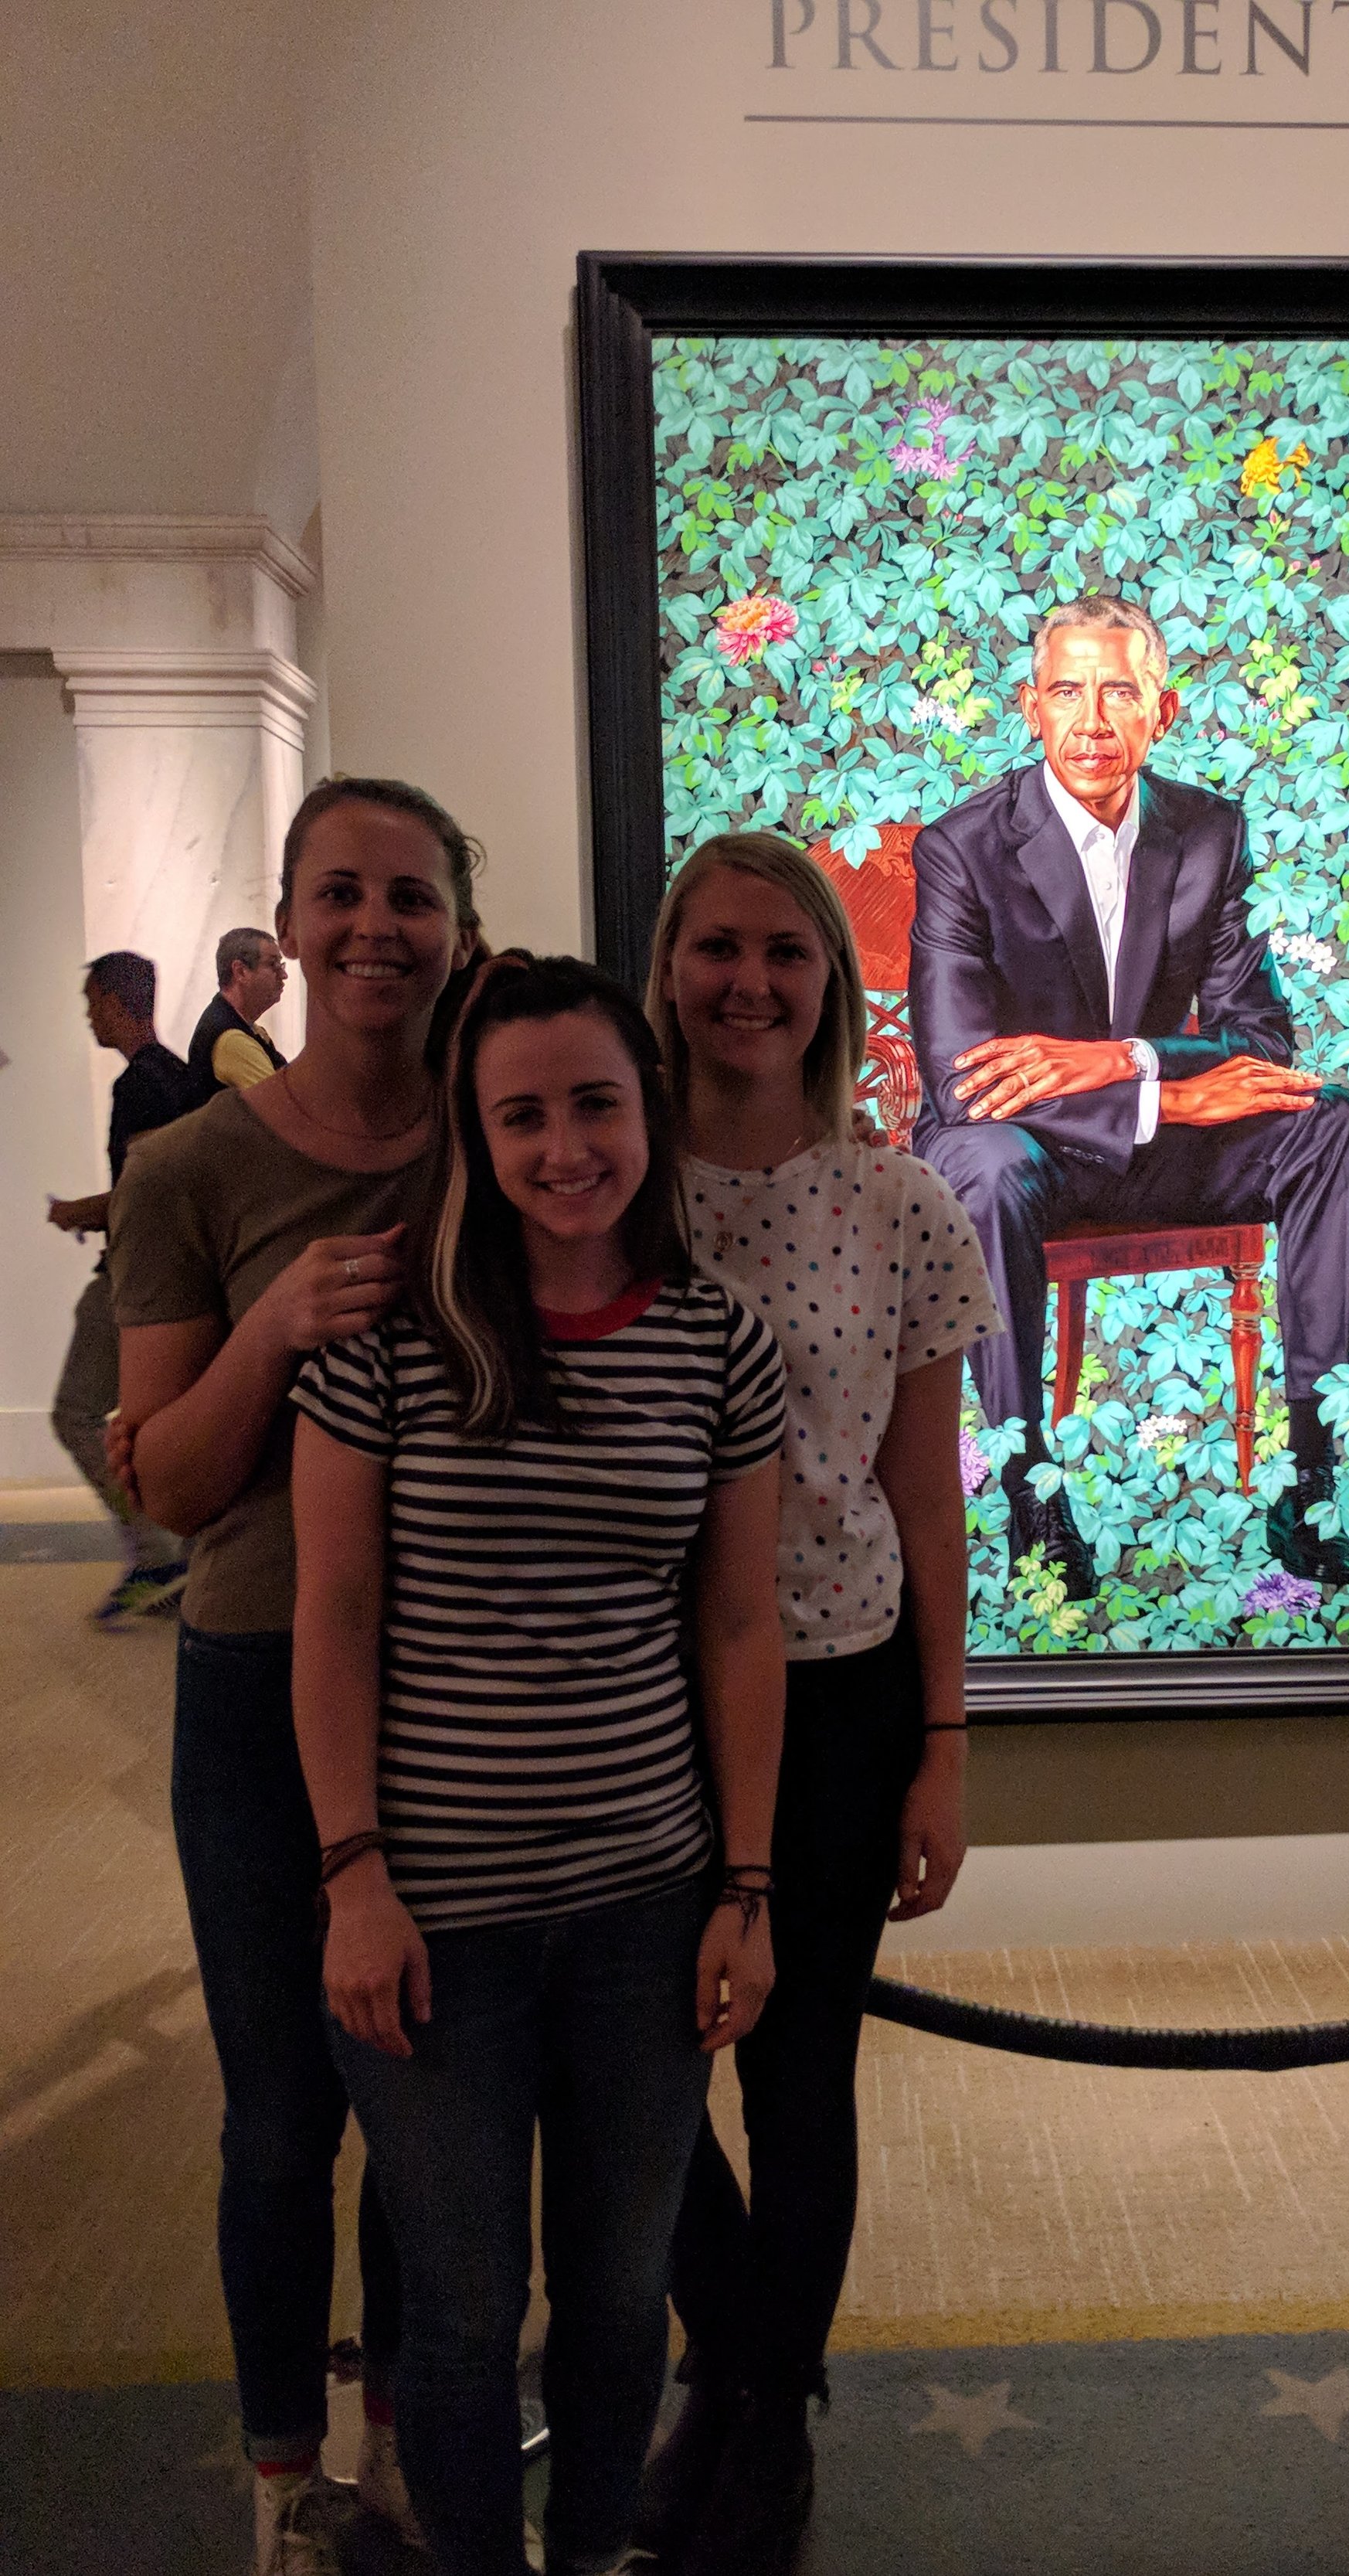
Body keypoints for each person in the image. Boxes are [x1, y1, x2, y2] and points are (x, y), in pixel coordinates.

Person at [290, 951, 789, 2576]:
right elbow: (337, 1616)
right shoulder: (384, 1339)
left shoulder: (719, 1340)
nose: (566, 1145)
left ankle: (581, 2559)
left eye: (595, 1102)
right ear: (472, 1132)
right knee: (456, 2305)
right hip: (432, 1921)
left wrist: (747, 1886)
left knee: (622, 2289)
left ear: (647, 1107)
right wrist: (352, 1876)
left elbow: (735, 1626)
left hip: (645, 1907)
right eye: (523, 1115)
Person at [108, 778, 483, 2576]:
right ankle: (282, 2484)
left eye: (410, 897)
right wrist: (277, 1319)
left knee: (434, 2105)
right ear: (286, 919)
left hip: (467, 1692)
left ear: (457, 929)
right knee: (282, 2117)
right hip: (260, 1682)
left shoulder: (503, 1133)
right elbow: (165, 1485)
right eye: (339, 894)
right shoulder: (191, 1170)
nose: (374, 928)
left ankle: (405, 2445)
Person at [638, 831, 1003, 2576]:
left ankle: (763, 2421)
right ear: (669, 968)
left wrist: (944, 1743)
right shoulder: (610, 1186)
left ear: (831, 985)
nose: (749, 982)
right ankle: (741, 2363)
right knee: (637, 2073)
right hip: (636, 1703)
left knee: (798, 2077)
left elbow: (928, 1494)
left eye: (784, 951)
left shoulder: (905, 1200)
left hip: (847, 1690)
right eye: (715, 948)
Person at [907, 592, 1349, 1598]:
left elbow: (1259, 1041)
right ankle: (1033, 1486)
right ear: (1031, 708)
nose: (1091, 719)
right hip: (1021, 1153)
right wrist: (1160, 1094)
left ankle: (1314, 1476)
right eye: (1067, 692)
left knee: (1327, 1120)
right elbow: (962, 1076)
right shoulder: (963, 847)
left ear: (1161, 714)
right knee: (982, 1164)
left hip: (1155, 1142)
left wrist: (1128, 1064)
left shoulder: (1208, 832)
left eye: (1119, 691)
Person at [46, 950, 198, 1622]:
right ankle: (177, 1556)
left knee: (75, 1413)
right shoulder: (179, 1077)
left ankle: (157, 1554)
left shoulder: (137, 1087)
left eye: (91, 1002)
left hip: (134, 1281)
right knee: (155, 1421)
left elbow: (143, 1194)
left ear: (114, 1000)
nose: (87, 1016)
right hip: (173, 1279)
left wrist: (79, 1211)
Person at [188, 926, 291, 1101]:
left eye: (281, 964)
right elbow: (283, 1109)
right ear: (241, 972)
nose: (284, 974)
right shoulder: (231, 1039)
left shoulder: (250, 1030)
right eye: (273, 964)